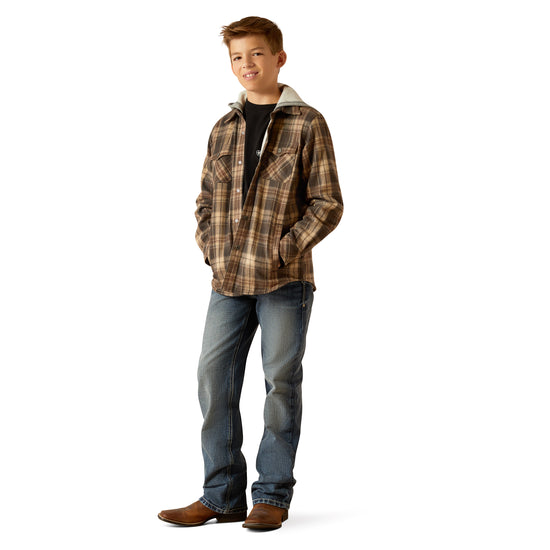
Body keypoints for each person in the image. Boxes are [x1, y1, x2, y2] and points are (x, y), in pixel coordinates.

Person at [158, 16, 343, 530]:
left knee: (280, 383)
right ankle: (221, 497)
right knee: (213, 379)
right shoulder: (224, 127)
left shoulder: (307, 123)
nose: (247, 65)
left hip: (285, 281)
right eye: (237, 57)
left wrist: (283, 250)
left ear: (279, 58)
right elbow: (205, 201)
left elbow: (328, 202)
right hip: (228, 281)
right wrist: (212, 249)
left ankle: (272, 496)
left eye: (256, 54)